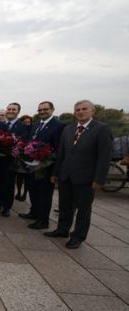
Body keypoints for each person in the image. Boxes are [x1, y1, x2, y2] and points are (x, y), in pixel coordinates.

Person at [45, 100, 113, 248]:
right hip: (66, 175)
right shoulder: (68, 129)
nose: (81, 112)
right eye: (78, 110)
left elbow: (104, 156)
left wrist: (99, 178)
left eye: (84, 109)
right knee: (65, 205)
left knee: (83, 209)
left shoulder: (102, 129)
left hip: (86, 178)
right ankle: (62, 229)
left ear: (92, 111)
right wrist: (55, 173)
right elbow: (61, 153)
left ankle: (78, 236)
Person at [20, 101, 66, 229]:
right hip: (32, 165)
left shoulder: (59, 126)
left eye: (45, 109)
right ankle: (34, 212)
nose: (42, 112)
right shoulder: (35, 125)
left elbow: (59, 148)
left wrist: (47, 160)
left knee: (44, 194)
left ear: (52, 109)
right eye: (40, 110)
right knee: (33, 190)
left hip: (46, 167)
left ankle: (43, 220)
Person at [0, 102, 31, 216]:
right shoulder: (1, 124)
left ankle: (6, 206)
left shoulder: (23, 127)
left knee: (8, 184)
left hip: (11, 160)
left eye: (14, 109)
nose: (11, 111)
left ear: (18, 111)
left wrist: (12, 150)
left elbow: (23, 142)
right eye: (9, 109)